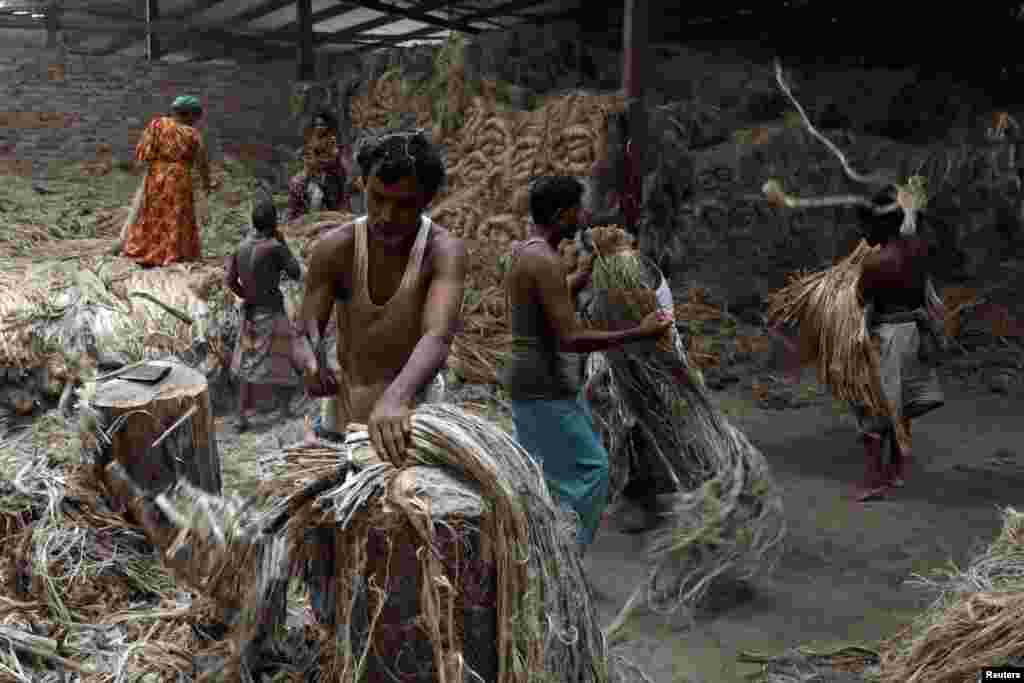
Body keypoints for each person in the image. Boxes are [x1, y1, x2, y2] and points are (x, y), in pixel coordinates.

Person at [293, 130, 465, 623]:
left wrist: (397, 398)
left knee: (407, 540)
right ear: (362, 186)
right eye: (378, 199)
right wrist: (309, 362)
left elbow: (436, 335)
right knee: (326, 533)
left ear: (428, 199)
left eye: (405, 204)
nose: (389, 216)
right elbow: (306, 327)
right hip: (343, 414)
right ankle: (334, 627)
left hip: (414, 416)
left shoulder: (443, 252)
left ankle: (402, 630)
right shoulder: (337, 248)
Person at [500, 175, 673, 553]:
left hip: (533, 381)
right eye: (578, 209)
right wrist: (637, 332)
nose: (583, 216)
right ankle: (564, 556)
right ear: (562, 214)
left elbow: (557, 295)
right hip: (542, 384)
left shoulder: (527, 251)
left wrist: (591, 264)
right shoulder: (543, 260)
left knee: (539, 473)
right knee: (593, 469)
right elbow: (571, 337)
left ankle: (536, 551)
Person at [851, 192, 948, 502]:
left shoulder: (876, 262)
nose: (862, 233)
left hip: (889, 335)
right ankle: (895, 471)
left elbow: (862, 301)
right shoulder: (918, 250)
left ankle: (872, 480)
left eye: (864, 225)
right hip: (915, 334)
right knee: (900, 403)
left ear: (879, 224)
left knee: (873, 405)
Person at [224, 192, 303, 432]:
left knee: (246, 364)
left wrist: (247, 295)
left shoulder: (241, 247)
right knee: (282, 358)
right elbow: (296, 272)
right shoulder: (274, 248)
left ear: (254, 222)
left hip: (249, 313)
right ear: (274, 223)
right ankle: (283, 407)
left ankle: (239, 417)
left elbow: (230, 281)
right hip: (272, 312)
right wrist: (284, 243)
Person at [121, 95, 215, 267]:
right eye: (196, 117)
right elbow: (202, 163)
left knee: (152, 213)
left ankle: (146, 248)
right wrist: (206, 183)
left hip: (156, 176)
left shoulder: (157, 125)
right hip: (179, 180)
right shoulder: (192, 134)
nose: (196, 121)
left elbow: (142, 152)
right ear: (189, 115)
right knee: (175, 216)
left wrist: (156, 165)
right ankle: (173, 253)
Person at [287, 110, 352, 221]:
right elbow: (308, 152)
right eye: (317, 125)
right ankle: (295, 215)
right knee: (295, 182)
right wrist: (305, 157)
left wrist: (318, 162)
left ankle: (325, 212)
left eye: (322, 125)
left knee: (319, 192)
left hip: (329, 173)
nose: (319, 127)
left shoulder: (331, 140)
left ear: (327, 126)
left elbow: (333, 159)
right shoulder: (312, 138)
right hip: (312, 170)